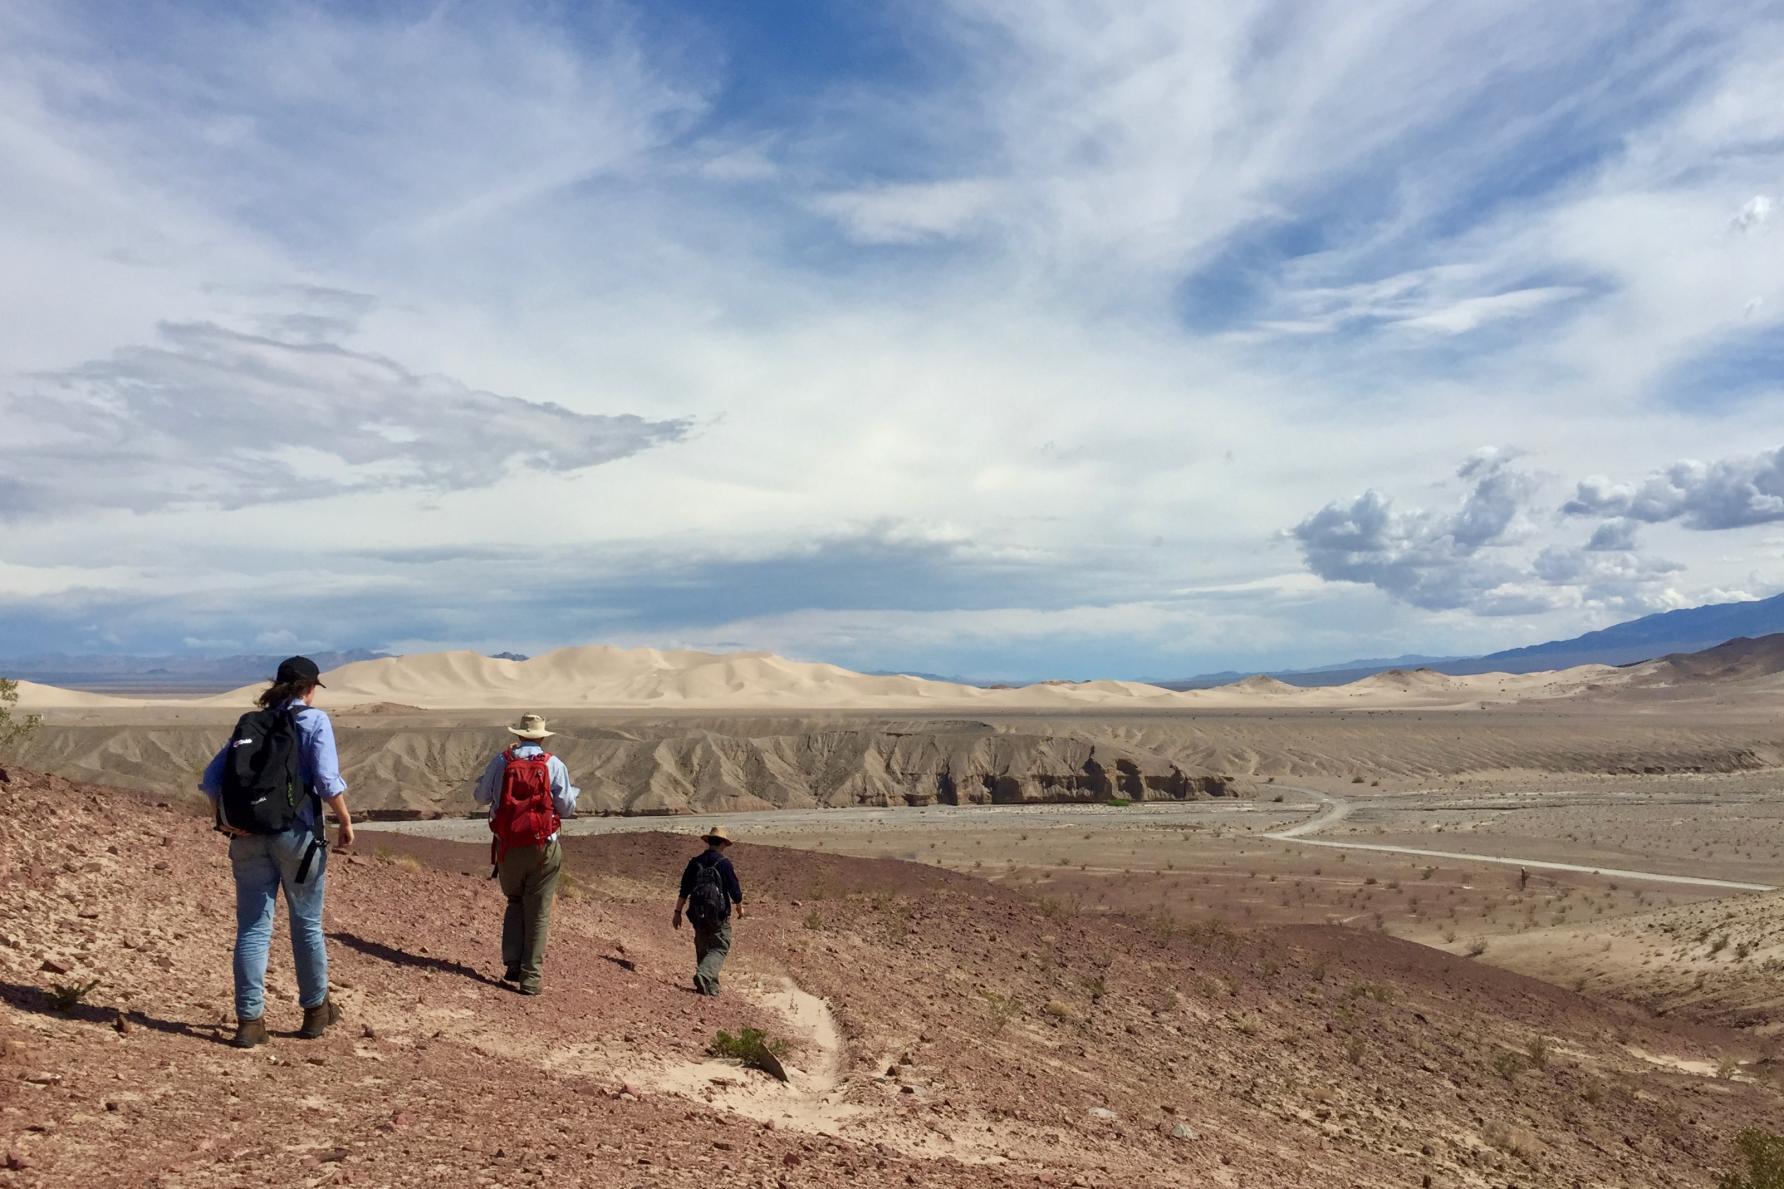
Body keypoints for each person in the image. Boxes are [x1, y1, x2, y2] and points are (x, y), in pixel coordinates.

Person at [200, 655, 355, 1049]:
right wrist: (345, 820)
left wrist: (225, 819)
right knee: (306, 924)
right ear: (309, 688)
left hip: (247, 836)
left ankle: (250, 1021)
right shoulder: (313, 721)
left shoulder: (253, 723)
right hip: (297, 836)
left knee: (253, 927)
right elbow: (325, 779)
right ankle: (315, 1011)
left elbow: (210, 779)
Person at [473, 713, 579, 995]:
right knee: (539, 912)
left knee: (515, 900)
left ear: (518, 735)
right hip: (543, 847)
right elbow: (567, 807)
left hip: (508, 847)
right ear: (543, 737)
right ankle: (530, 979)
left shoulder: (501, 761)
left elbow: (480, 797)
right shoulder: (553, 764)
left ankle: (513, 963)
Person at [673, 827, 744, 996]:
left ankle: (710, 989)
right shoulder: (724, 863)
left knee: (703, 948)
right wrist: (740, 908)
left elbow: (684, 890)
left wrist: (677, 912)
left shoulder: (695, 862)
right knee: (720, 947)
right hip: (719, 915)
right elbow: (735, 891)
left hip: (697, 913)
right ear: (723, 844)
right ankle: (704, 975)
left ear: (709, 842)